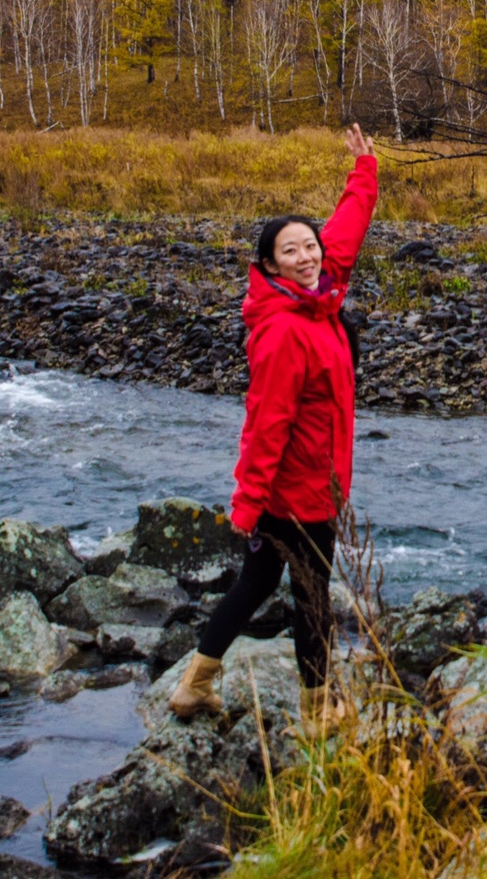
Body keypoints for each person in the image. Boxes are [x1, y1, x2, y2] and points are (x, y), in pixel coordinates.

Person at [169, 123, 378, 721]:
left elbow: (343, 233)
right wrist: (248, 503)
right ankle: (318, 712)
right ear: (270, 266)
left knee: (256, 584)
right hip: (300, 491)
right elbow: (266, 422)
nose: (308, 255)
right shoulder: (285, 330)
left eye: (309, 246)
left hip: (310, 480)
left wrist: (364, 172)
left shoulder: (318, 290)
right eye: (292, 251)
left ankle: (194, 684)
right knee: (311, 598)